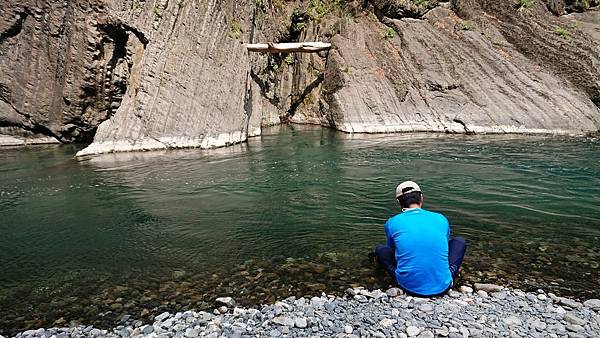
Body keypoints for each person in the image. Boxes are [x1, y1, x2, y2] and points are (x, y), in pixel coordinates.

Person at [373, 181, 467, 297]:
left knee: (380, 249)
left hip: (407, 286)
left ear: (399, 202)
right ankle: (442, 275)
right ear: (421, 197)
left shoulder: (392, 222)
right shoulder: (440, 218)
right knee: (459, 241)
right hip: (443, 285)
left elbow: (391, 249)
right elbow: (445, 247)